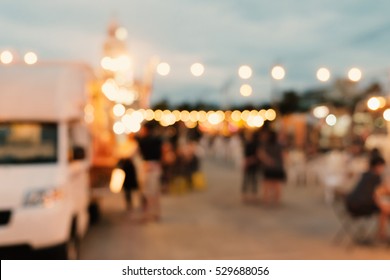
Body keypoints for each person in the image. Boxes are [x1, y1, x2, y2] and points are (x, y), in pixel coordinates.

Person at [136, 122, 163, 222]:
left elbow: (136, 152)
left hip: (147, 167)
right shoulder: (158, 140)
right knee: (155, 192)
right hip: (156, 166)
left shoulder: (142, 140)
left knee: (147, 193)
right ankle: (156, 213)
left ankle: (148, 214)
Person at [258, 129, 286, 205]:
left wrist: (268, 160)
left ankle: (266, 199)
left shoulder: (265, 144)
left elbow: (261, 154)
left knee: (266, 184)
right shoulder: (279, 145)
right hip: (278, 167)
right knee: (277, 184)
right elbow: (283, 156)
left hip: (268, 167)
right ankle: (276, 200)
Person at [241, 130, 260, 202]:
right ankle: (253, 195)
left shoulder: (248, 144)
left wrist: (247, 162)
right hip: (255, 163)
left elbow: (246, 155)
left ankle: (245, 195)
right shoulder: (258, 144)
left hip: (249, 162)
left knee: (247, 179)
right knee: (253, 179)